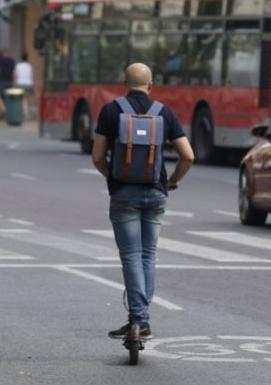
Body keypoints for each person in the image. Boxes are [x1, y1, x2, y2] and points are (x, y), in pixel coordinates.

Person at [92, 63, 194, 339]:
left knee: (131, 256)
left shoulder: (111, 111)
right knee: (148, 255)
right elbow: (188, 155)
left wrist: (112, 176)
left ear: (125, 84)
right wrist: (172, 181)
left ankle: (138, 319)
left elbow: (97, 156)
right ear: (151, 85)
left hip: (123, 193)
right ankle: (141, 319)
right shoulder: (164, 112)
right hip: (156, 191)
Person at [13, 52, 34, 120]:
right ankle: (27, 113)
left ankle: (25, 114)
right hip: (29, 84)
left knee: (22, 100)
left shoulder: (18, 65)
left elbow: (15, 75)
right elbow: (31, 75)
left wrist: (15, 83)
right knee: (27, 99)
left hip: (20, 83)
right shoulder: (29, 66)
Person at [0, 50, 15, 117]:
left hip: (2, 81)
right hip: (10, 81)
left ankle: (4, 110)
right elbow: (13, 72)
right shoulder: (11, 61)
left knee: (1, 97)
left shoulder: (1, 61)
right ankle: (8, 112)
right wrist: (14, 81)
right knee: (8, 97)